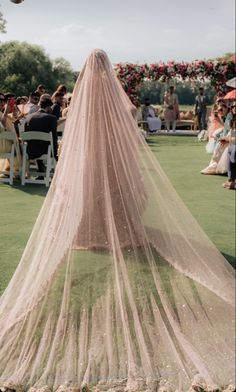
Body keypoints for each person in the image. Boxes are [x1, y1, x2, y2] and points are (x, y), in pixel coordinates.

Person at [0, 50, 234, 391]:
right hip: (109, 155)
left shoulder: (80, 101)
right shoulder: (115, 99)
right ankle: (113, 223)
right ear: (108, 70)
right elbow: (128, 123)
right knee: (113, 185)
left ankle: (90, 223)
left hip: (89, 158)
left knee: (93, 184)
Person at [24, 95, 58, 174]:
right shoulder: (52, 118)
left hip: (29, 150)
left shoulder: (28, 117)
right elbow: (54, 137)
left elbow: (26, 137)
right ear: (49, 107)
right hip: (45, 151)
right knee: (46, 144)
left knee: (38, 142)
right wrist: (56, 155)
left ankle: (41, 171)